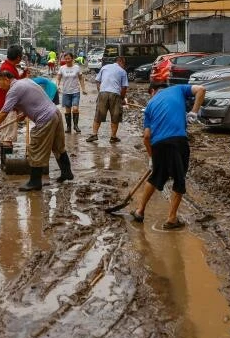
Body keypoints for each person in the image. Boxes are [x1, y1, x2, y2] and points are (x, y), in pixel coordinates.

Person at [129, 66, 206, 230]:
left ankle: (140, 211)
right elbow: (201, 89)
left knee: (155, 177)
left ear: (152, 91)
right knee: (179, 179)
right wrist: (194, 112)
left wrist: (152, 158)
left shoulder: (149, 106)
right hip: (177, 141)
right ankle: (171, 219)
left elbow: (147, 136)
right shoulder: (178, 89)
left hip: (158, 144)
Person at [0, 71, 73, 190]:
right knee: (58, 146)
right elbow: (34, 100)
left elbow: (4, 112)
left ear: (6, 79)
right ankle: (67, 173)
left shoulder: (13, 90)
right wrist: (25, 113)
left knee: (35, 148)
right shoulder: (25, 81)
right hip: (54, 113)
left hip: (45, 118)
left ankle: (35, 182)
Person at [0, 45, 28, 163]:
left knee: (5, 135)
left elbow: (15, 82)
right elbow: (13, 88)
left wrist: (23, 75)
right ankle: (7, 165)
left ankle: (4, 164)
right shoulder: (7, 69)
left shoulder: (9, 67)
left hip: (6, 105)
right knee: (8, 137)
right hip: (7, 106)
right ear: (18, 57)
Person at [87, 56, 129, 143]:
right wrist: (122, 99)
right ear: (120, 61)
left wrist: (100, 92)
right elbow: (124, 87)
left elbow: (97, 81)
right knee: (115, 116)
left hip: (103, 93)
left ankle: (94, 134)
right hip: (115, 94)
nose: (124, 66)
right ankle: (113, 137)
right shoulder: (123, 71)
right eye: (124, 63)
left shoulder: (104, 67)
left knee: (98, 114)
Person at [56, 51, 86, 133]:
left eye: (69, 58)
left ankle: (76, 126)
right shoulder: (62, 68)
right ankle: (69, 127)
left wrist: (83, 89)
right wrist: (57, 86)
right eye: (66, 59)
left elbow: (81, 78)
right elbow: (58, 78)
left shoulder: (76, 67)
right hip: (66, 92)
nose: (67, 60)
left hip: (75, 91)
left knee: (75, 109)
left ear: (72, 59)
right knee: (67, 110)